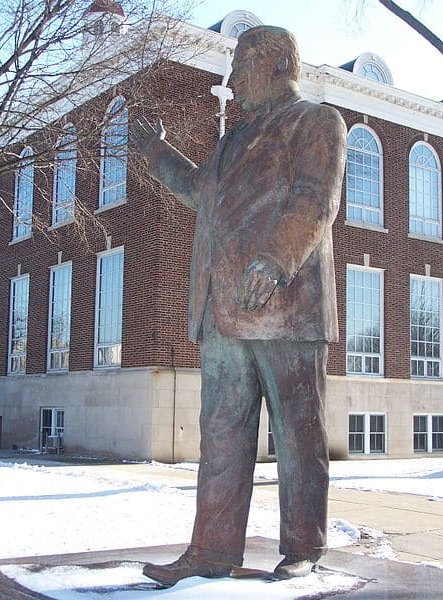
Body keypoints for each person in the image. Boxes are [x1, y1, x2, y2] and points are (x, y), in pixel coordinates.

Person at [131, 25, 347, 584]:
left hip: (284, 304)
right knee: (221, 431)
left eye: (239, 65)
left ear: (275, 64)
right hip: (223, 308)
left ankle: (304, 548)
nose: (230, 80)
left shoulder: (314, 122)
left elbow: (314, 202)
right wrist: (155, 152)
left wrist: (275, 260)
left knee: (299, 429)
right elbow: (199, 190)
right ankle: (212, 550)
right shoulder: (231, 143)